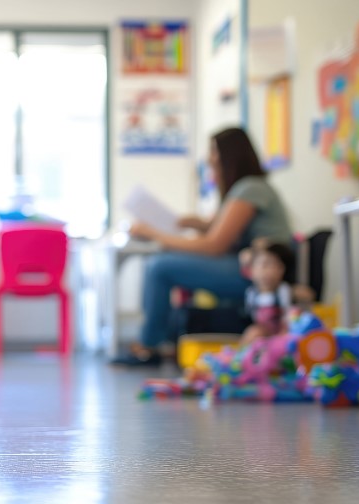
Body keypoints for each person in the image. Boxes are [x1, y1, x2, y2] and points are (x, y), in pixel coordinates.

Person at [112, 126, 293, 366]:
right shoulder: (243, 189)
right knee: (162, 262)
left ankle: (148, 346)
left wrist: (154, 234)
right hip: (247, 267)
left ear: (230, 155)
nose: (210, 160)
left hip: (261, 275)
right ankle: (158, 341)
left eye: (214, 153)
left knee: (159, 267)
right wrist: (192, 223)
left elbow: (215, 245)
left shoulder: (251, 188)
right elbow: (216, 230)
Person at [241, 241, 295, 345]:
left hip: (280, 330)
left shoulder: (283, 290)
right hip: (261, 330)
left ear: (282, 270)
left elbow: (288, 313)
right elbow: (251, 314)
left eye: (274, 266)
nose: (268, 272)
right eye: (264, 265)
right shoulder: (251, 293)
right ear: (251, 271)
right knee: (253, 333)